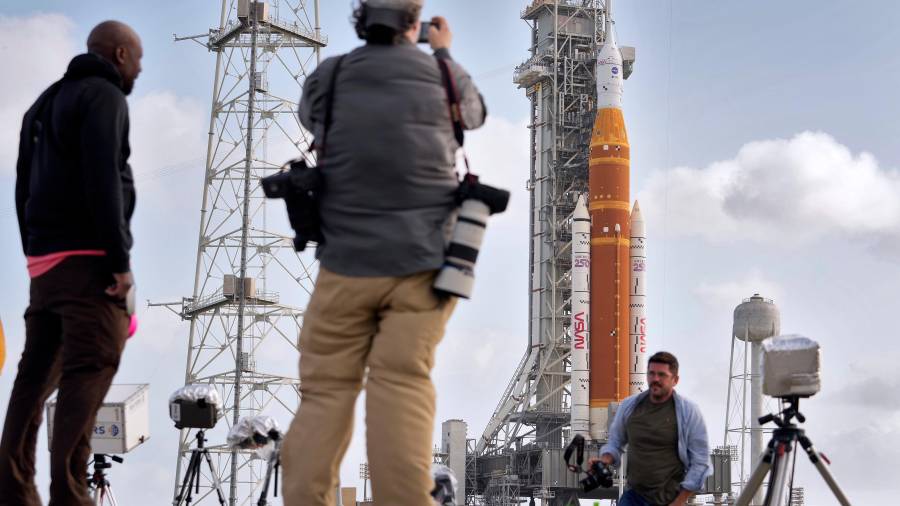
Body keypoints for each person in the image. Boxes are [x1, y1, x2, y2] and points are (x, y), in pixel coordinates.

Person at [279, 0, 486, 505]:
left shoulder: (332, 76)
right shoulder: (442, 76)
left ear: (361, 20)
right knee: (402, 383)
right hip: (423, 265)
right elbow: (474, 115)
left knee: (326, 392)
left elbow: (310, 116)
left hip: (344, 265)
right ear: (414, 24)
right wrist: (443, 52)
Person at [0, 20, 141, 505]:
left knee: (33, 378)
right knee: (91, 366)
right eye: (138, 61)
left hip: (45, 266)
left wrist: (32, 256)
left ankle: (14, 490)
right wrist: (120, 263)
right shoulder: (104, 97)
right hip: (89, 263)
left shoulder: (42, 104)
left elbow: (20, 188)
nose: (138, 71)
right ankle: (71, 494)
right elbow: (104, 176)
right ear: (120, 54)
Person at [597, 352, 712, 506]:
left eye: (662, 375)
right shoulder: (629, 406)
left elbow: (701, 463)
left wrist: (679, 501)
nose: (655, 379)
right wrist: (604, 461)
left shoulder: (688, 413)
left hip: (668, 499)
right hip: (634, 497)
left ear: (675, 380)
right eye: (651, 373)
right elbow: (615, 442)